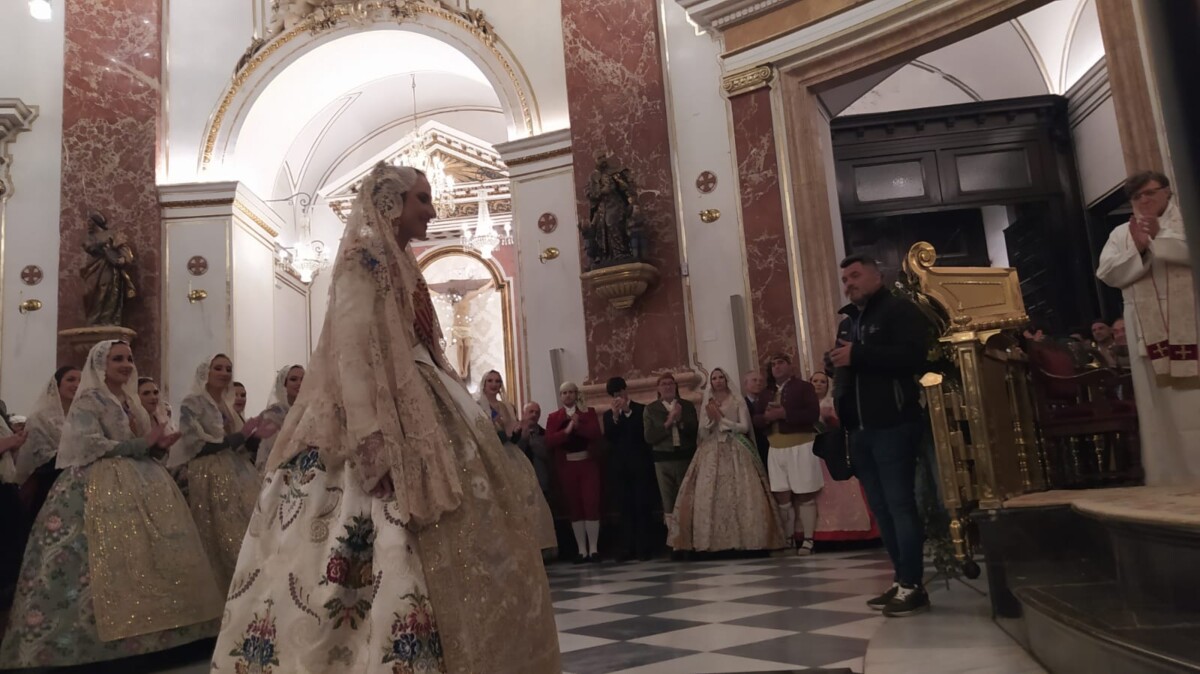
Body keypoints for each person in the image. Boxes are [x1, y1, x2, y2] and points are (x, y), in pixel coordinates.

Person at [210, 164, 560, 673]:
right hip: (369, 418)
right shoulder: (362, 259)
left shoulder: (404, 262)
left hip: (425, 398)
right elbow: (351, 351)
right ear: (392, 203)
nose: (433, 210)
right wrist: (371, 437)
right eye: (423, 199)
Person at [0, 340, 222, 668]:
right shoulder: (90, 398)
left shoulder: (129, 400)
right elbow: (89, 443)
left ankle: (165, 635)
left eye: (129, 358)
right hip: (98, 484)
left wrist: (159, 445)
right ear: (101, 364)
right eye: (117, 359)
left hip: (143, 480)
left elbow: (144, 444)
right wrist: (140, 443)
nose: (126, 364)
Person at [831, 254, 930, 617]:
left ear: (877, 275)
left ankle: (914, 585)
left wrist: (859, 355)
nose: (849, 283)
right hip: (860, 429)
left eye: (855, 275)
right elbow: (851, 367)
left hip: (893, 423)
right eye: (845, 279)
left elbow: (913, 357)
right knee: (882, 509)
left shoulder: (899, 311)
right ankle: (900, 578)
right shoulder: (849, 322)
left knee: (901, 505)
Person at [1097, 171, 1200, 484]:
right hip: (1148, 336)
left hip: (1192, 326)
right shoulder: (1120, 234)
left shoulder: (1188, 221)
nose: (1143, 200)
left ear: (1167, 192)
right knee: (1160, 410)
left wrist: (1159, 238)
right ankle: (1170, 479)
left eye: (1150, 193)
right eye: (1136, 196)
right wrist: (1139, 248)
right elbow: (1106, 272)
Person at [170, 354, 275, 592]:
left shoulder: (226, 406)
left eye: (228, 368)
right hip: (209, 474)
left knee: (249, 530)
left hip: (237, 473)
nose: (224, 372)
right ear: (205, 372)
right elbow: (195, 443)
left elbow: (240, 448)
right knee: (221, 538)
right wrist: (240, 435)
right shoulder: (193, 402)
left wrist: (255, 437)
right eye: (218, 368)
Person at [670, 368, 784, 552]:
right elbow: (703, 432)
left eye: (721, 377)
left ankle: (749, 540)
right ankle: (711, 542)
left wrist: (723, 421)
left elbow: (745, 426)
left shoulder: (737, 400)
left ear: (726, 379)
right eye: (714, 378)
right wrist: (712, 422)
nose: (718, 380)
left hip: (735, 446)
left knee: (742, 490)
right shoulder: (708, 402)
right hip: (711, 449)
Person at [478, 369, 557, 551]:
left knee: (526, 491)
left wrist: (515, 434)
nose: (494, 384)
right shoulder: (478, 406)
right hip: (490, 452)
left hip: (509, 452)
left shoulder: (506, 406)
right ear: (484, 384)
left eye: (497, 381)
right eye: (490, 380)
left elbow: (512, 433)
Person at [754, 354, 823, 556]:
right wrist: (766, 418)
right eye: (773, 364)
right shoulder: (766, 393)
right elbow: (756, 418)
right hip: (775, 448)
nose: (776, 367)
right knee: (781, 494)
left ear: (790, 366)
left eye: (780, 363)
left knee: (804, 492)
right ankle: (788, 537)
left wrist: (785, 414)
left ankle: (808, 539)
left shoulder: (804, 387)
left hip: (800, 445)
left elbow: (812, 414)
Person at [809, 371, 878, 542]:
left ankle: (848, 529)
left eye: (822, 382)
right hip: (812, 452)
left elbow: (843, 424)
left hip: (833, 450)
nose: (818, 384)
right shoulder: (805, 404)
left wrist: (831, 420)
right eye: (815, 381)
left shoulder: (831, 402)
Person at [602, 376, 660, 561]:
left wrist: (628, 412)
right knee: (624, 507)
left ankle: (645, 547)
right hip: (620, 468)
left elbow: (642, 433)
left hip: (640, 465)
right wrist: (616, 416)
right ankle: (627, 547)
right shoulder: (608, 415)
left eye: (620, 392)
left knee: (642, 506)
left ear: (626, 391)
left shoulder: (641, 410)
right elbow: (610, 437)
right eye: (614, 394)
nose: (618, 396)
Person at [546, 381, 603, 562]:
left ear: (576, 394)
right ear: (560, 396)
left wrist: (579, 426)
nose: (568, 395)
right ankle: (581, 550)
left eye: (571, 392)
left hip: (587, 463)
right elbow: (550, 441)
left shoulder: (588, 412)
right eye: (564, 393)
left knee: (591, 503)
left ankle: (593, 548)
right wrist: (567, 430)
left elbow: (595, 433)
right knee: (574, 506)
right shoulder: (554, 417)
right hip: (567, 466)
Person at [15, 366, 80, 521]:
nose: (77, 384)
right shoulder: (41, 417)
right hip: (47, 483)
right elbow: (37, 456)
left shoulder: (82, 416)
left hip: (77, 484)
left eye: (81, 381)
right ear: (56, 386)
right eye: (71, 379)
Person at [643, 373, 698, 545]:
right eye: (664, 384)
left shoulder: (687, 406)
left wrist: (680, 420)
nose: (667, 387)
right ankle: (674, 541)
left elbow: (694, 431)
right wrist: (668, 422)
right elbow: (650, 437)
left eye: (671, 384)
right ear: (658, 388)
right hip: (663, 459)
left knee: (687, 498)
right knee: (668, 500)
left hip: (685, 456)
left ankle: (688, 539)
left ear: (675, 386)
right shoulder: (651, 409)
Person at [254, 365, 304, 470]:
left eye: (303, 379)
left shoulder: (309, 410)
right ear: (283, 384)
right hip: (278, 467)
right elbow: (272, 447)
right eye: (293, 379)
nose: (300, 383)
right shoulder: (273, 414)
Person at [743, 370, 771, 466]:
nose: (758, 383)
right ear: (745, 384)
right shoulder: (741, 405)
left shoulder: (770, 402)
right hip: (750, 448)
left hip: (769, 448)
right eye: (754, 380)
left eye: (761, 381)